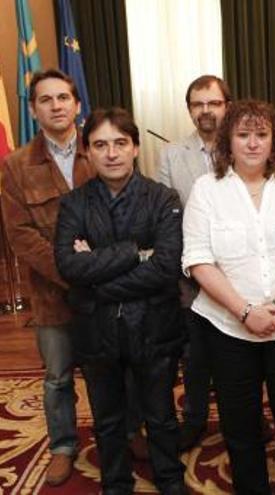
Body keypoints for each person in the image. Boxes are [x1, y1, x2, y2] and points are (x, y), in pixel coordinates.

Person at [183, 99, 275, 494]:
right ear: (228, 140)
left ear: (273, 140)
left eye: (260, 134)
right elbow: (197, 260)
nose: (252, 143)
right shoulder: (206, 190)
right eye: (243, 135)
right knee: (240, 424)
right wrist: (246, 311)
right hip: (227, 328)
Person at [54, 107, 186, 494]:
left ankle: (170, 480)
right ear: (88, 152)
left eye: (119, 143)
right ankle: (115, 483)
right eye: (100, 145)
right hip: (97, 331)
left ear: (135, 148)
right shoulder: (73, 204)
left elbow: (165, 267)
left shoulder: (163, 198)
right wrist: (133, 252)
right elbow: (68, 266)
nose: (111, 153)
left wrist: (95, 273)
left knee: (160, 416)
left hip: (154, 326)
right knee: (108, 419)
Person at [0, 68, 94, 486]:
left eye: (63, 98)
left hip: (105, 291)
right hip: (52, 294)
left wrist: (101, 272)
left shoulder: (102, 148)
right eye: (46, 99)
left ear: (77, 104)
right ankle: (62, 446)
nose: (56, 106)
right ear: (33, 108)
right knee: (58, 376)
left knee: (111, 368)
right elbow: (21, 236)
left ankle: (128, 432)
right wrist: (72, 274)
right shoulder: (16, 166)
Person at [157, 74, 230, 451]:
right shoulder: (171, 155)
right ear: (189, 110)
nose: (206, 111)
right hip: (191, 273)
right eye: (198, 104)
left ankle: (243, 416)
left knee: (238, 352)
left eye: (213, 103)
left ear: (226, 106)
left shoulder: (242, 146)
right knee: (196, 354)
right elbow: (168, 215)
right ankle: (195, 418)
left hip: (238, 272)